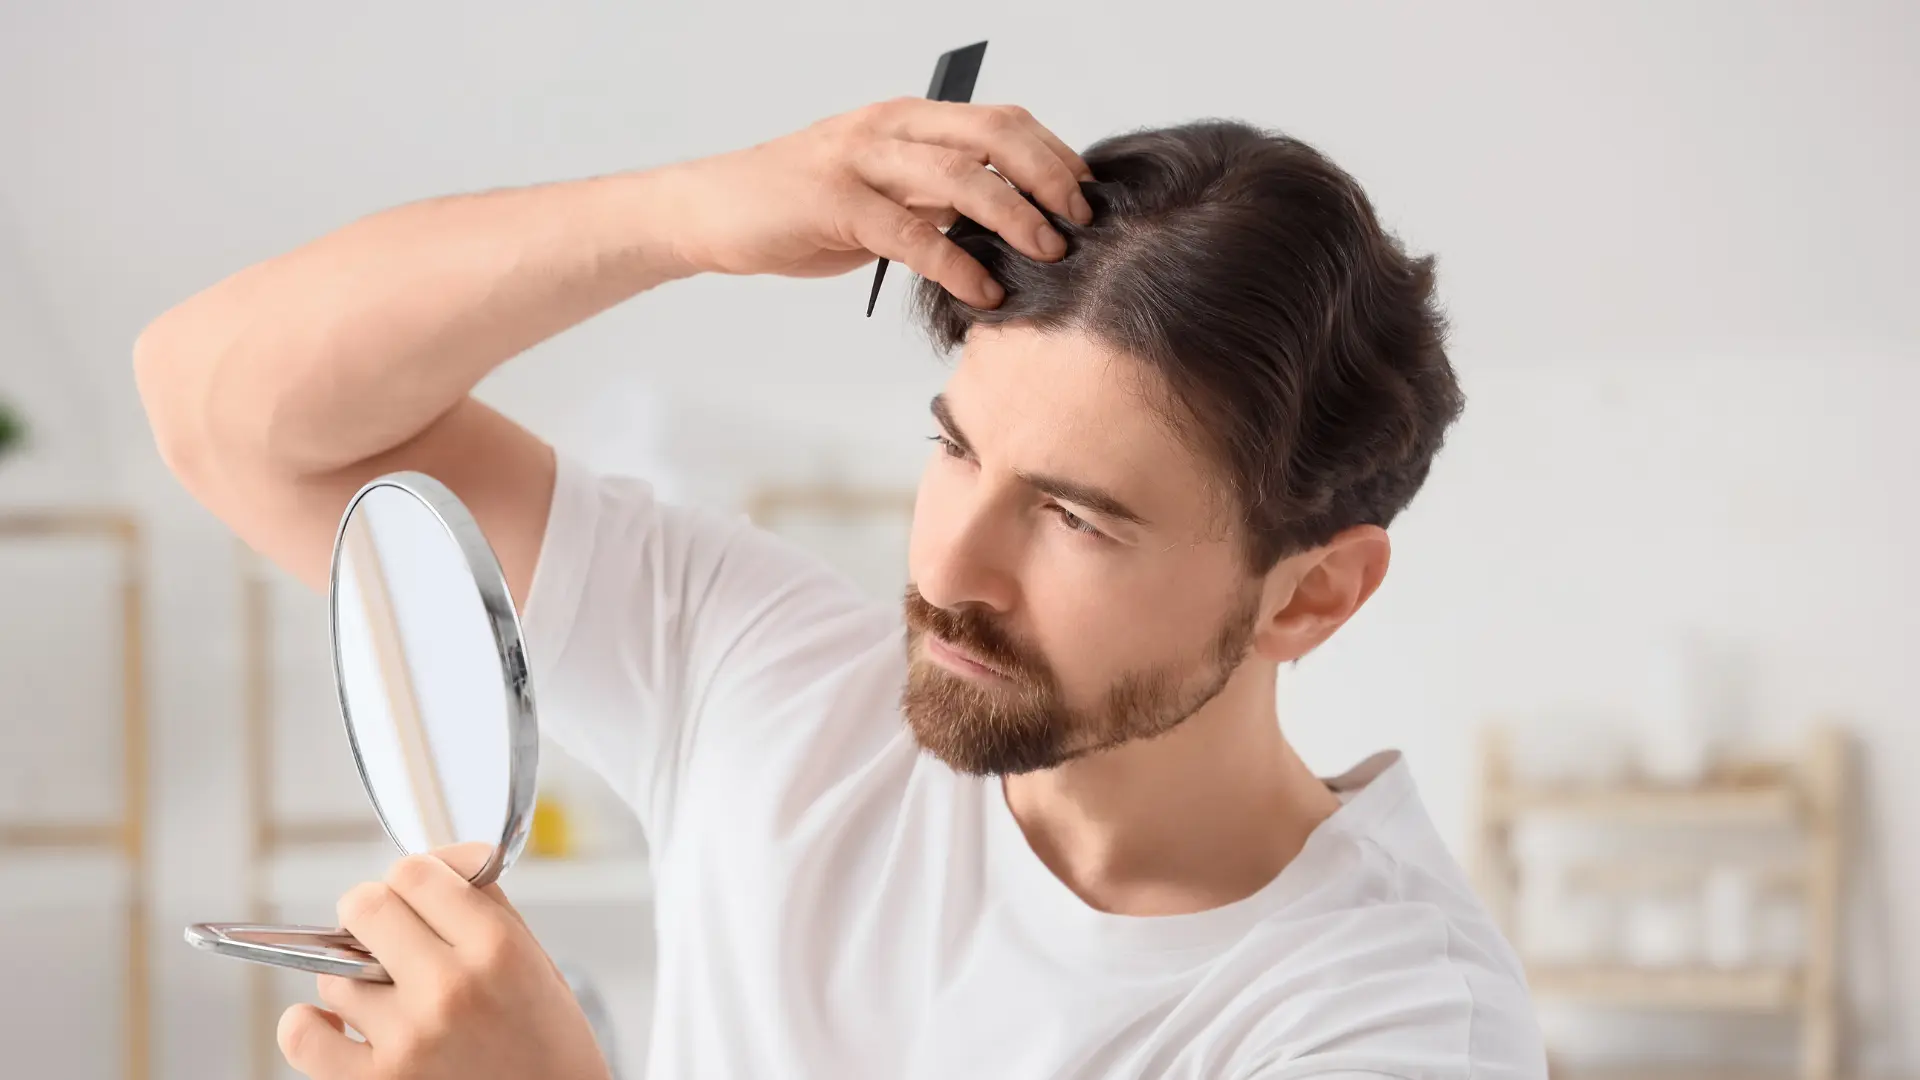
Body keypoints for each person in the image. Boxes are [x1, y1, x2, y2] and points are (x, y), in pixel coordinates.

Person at [136, 97, 1546, 1080]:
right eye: (956, 451)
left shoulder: (1390, 1024)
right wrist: (688, 214)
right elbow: (224, 413)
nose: (950, 570)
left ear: (1311, 597)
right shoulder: (774, 679)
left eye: (1073, 518)